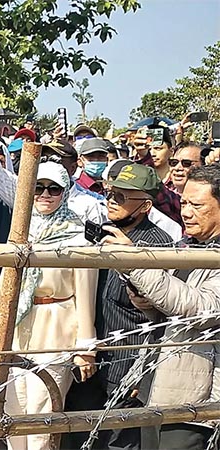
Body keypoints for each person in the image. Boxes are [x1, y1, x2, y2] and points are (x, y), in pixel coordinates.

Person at [0, 162, 98, 450]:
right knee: (12, 403)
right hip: (19, 328)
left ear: (65, 192)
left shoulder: (77, 236)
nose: (45, 194)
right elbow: (6, 280)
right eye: (38, 187)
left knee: (43, 410)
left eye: (54, 189)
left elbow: (85, 294)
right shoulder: (23, 228)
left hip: (56, 327)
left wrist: (85, 348)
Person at [102, 164, 220, 450]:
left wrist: (135, 262)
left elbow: (202, 308)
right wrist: (146, 302)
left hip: (195, 400)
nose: (186, 212)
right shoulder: (188, 245)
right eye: (184, 202)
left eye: (197, 205)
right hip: (158, 385)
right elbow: (169, 310)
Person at [89, 163, 174, 450]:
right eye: (110, 193)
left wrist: (144, 372)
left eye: (121, 198)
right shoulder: (106, 233)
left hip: (129, 365)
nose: (111, 201)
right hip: (96, 358)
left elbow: (163, 315)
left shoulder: (158, 246)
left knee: (119, 442)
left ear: (146, 206)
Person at [0, 139, 108, 225]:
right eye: (44, 158)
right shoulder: (28, 195)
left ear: (72, 168)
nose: (48, 163)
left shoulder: (89, 204)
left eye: (55, 159)